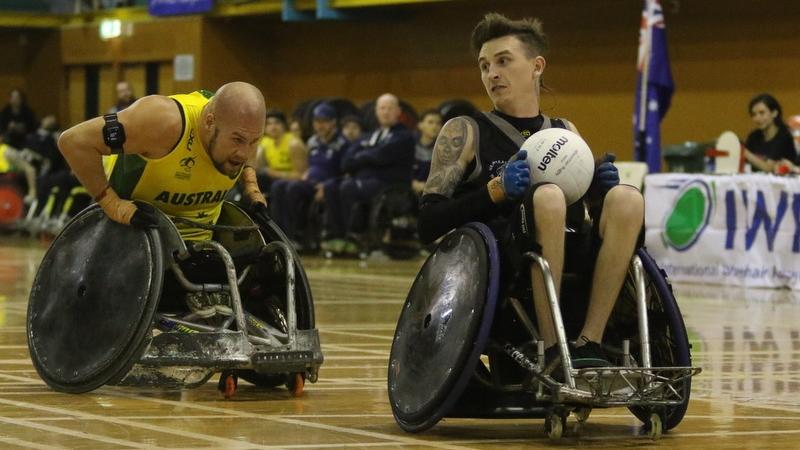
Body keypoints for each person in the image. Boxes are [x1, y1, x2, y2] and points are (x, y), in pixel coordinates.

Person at [418, 13, 644, 372]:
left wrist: (598, 191)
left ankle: (591, 342)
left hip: (570, 248)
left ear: (537, 66)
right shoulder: (465, 130)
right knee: (548, 197)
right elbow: (428, 223)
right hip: (506, 260)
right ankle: (552, 347)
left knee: (628, 198)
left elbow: (583, 211)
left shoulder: (565, 130)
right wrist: (493, 192)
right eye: (484, 65)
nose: (491, 73)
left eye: (503, 61)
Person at [57, 81, 269, 241]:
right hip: (133, 240)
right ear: (209, 122)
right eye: (237, 140)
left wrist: (251, 185)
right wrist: (111, 203)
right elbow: (74, 141)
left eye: (254, 141)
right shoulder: (163, 121)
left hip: (202, 244)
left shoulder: (241, 128)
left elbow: (246, 144)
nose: (244, 153)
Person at [322, 93, 415, 255]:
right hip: (363, 180)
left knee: (348, 187)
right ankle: (336, 235)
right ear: (376, 111)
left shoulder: (404, 136)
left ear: (398, 111)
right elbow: (346, 162)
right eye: (382, 108)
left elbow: (382, 156)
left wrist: (363, 154)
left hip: (389, 185)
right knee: (330, 186)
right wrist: (368, 155)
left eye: (390, 108)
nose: (385, 112)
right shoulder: (368, 135)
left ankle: (352, 236)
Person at [279, 103, 349, 247]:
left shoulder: (343, 143)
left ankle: (307, 235)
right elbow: (311, 165)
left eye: (324, 121)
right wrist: (306, 173)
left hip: (332, 184)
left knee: (297, 189)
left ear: (333, 122)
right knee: (283, 187)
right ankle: (290, 235)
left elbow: (346, 172)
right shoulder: (312, 141)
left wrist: (324, 186)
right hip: (311, 182)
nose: (320, 125)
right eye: (317, 121)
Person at [254, 109, 307, 212]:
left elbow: (302, 176)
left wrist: (276, 174)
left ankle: (282, 226)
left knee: (277, 186)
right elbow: (257, 167)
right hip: (274, 181)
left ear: (284, 125)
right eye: (269, 124)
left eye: (277, 123)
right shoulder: (265, 142)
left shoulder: (294, 144)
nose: (273, 127)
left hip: (292, 183)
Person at [743, 93, 796, 173]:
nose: (757, 118)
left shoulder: (784, 137)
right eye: (754, 114)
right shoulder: (753, 137)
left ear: (774, 113)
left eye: (762, 113)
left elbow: (770, 168)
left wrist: (744, 152)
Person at [412, 109, 443, 194]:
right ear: (420, 125)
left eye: (438, 123)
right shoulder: (409, 144)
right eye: (430, 122)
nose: (435, 127)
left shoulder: (444, 149)